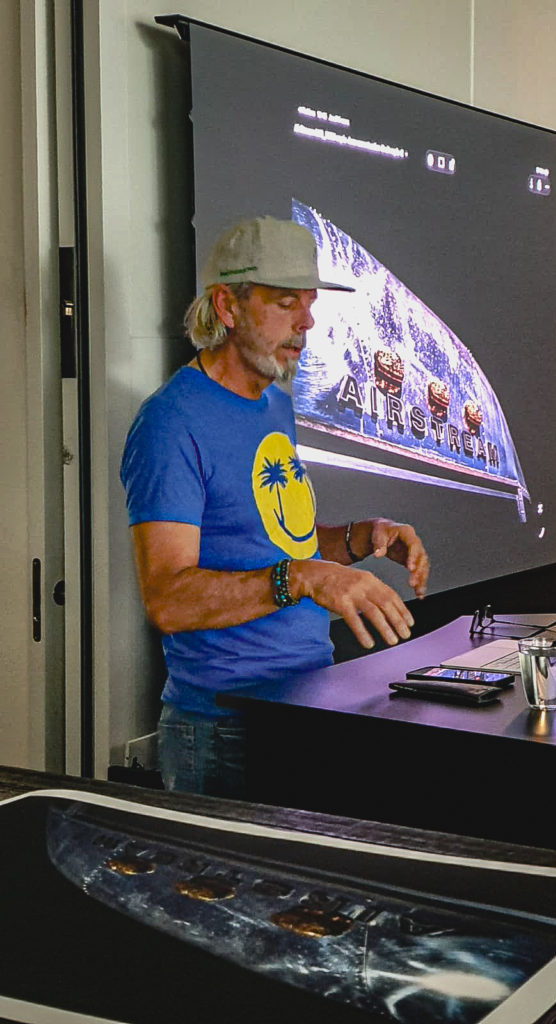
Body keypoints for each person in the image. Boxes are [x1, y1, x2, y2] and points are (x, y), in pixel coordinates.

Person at [121, 216, 430, 798]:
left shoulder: (273, 404)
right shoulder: (170, 422)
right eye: (287, 303)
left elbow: (278, 540)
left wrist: (363, 537)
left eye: (309, 304)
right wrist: (306, 577)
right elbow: (168, 599)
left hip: (302, 703)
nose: (306, 321)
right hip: (222, 728)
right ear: (227, 306)